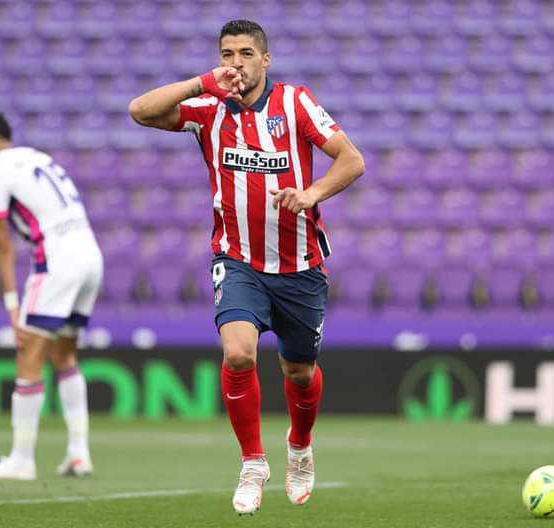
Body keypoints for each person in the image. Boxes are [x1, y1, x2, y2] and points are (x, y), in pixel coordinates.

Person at [129, 20, 365, 514]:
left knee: (299, 370)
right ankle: (253, 463)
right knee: (238, 354)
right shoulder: (208, 107)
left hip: (299, 265)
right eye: (227, 54)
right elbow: (140, 111)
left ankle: (299, 447)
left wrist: (312, 194)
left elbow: (351, 160)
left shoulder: (295, 103)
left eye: (245, 53)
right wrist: (202, 82)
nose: (236, 63)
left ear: (265, 60)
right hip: (237, 259)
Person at [0, 112, 103, 480]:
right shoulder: (37, 157)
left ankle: (21, 460)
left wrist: (11, 304)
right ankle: (79, 454)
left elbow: (2, 244)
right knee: (64, 354)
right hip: (90, 256)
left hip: (56, 262)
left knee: (28, 354)